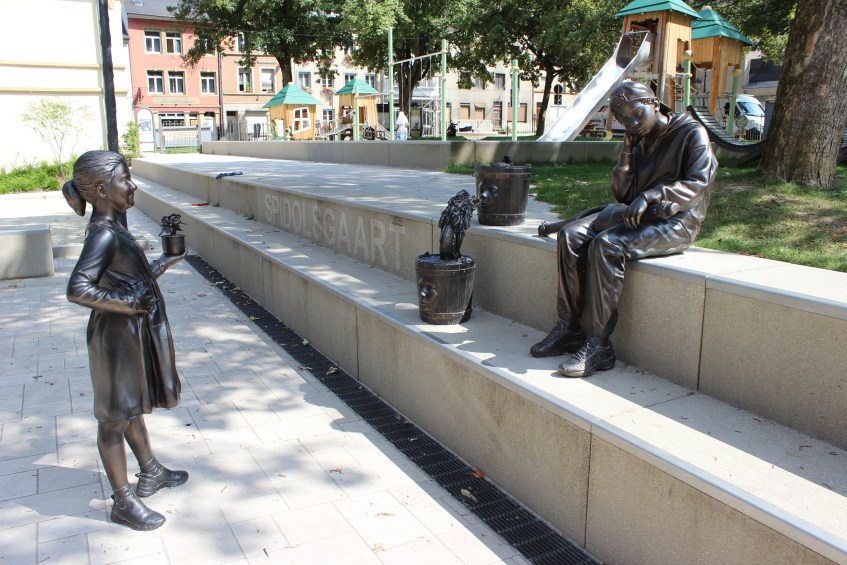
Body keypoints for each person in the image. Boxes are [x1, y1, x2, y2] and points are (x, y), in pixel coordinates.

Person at [531, 81, 718, 378]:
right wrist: (627, 152)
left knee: (607, 244)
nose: (632, 124)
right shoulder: (638, 140)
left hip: (676, 222)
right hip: (639, 216)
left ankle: (599, 345)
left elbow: (698, 182)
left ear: (654, 103)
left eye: (636, 114)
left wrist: (653, 195)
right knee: (570, 235)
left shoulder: (691, 132)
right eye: (624, 120)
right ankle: (570, 329)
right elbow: (622, 194)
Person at [63, 150, 188, 530]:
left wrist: (162, 263)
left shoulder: (115, 227)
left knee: (130, 407)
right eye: (124, 179)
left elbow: (129, 278)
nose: (132, 185)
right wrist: (131, 304)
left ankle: (151, 471)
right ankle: (122, 501)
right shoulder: (103, 234)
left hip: (130, 333)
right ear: (102, 190)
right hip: (115, 338)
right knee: (114, 418)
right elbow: (77, 288)